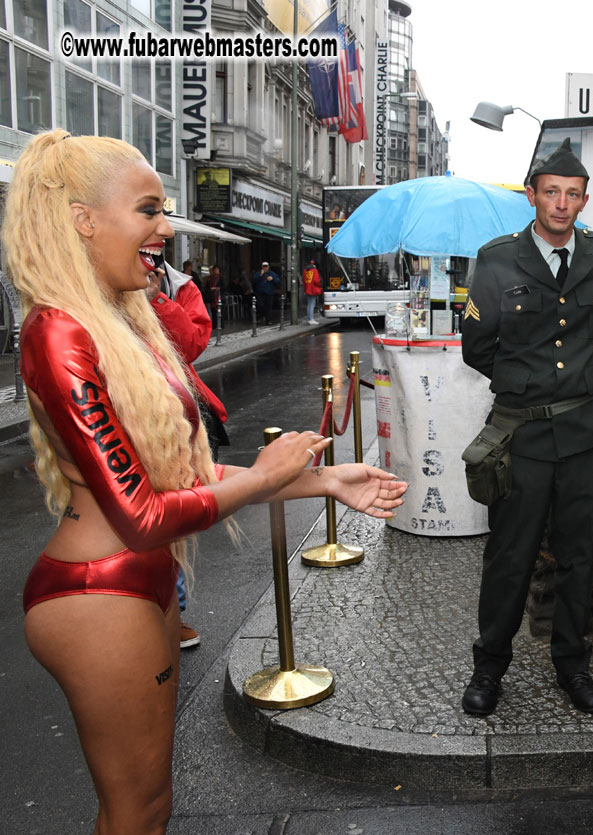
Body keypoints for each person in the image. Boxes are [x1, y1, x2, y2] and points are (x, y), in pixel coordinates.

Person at [8, 130, 408, 834]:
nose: (165, 227)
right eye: (149, 209)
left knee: (151, 808)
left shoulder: (118, 323)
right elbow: (140, 514)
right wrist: (270, 476)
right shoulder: (57, 331)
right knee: (135, 813)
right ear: (84, 219)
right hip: (96, 594)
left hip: (139, 587)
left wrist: (325, 481)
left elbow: (189, 477)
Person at [460, 138, 593, 717]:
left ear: (584, 199)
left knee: (578, 557)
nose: (562, 205)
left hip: (583, 436)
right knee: (509, 556)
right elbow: (476, 346)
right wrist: (526, 383)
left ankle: (572, 664)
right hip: (519, 435)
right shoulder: (497, 260)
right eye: (551, 193)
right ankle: (489, 666)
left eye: (572, 195)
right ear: (532, 196)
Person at [147, 256, 231, 649]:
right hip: (132, 405)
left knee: (173, 512)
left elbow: (192, 345)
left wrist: (159, 300)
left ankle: (172, 611)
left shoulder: (181, 287)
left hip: (175, 413)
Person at [252, 260, 279, 325]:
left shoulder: (272, 274)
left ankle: (268, 320)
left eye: (266, 266)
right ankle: (260, 317)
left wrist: (272, 279)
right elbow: (254, 281)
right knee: (260, 305)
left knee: (269, 307)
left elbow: (278, 281)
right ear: (262, 267)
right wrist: (260, 275)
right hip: (260, 293)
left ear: (268, 267)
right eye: (264, 267)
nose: (265, 268)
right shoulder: (258, 274)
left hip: (269, 293)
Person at [302, 259, 322, 324]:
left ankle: (309, 318)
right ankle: (311, 319)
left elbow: (303, 280)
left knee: (309, 304)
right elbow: (317, 281)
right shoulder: (315, 270)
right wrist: (320, 284)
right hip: (313, 289)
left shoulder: (305, 270)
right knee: (312, 304)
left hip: (307, 288)